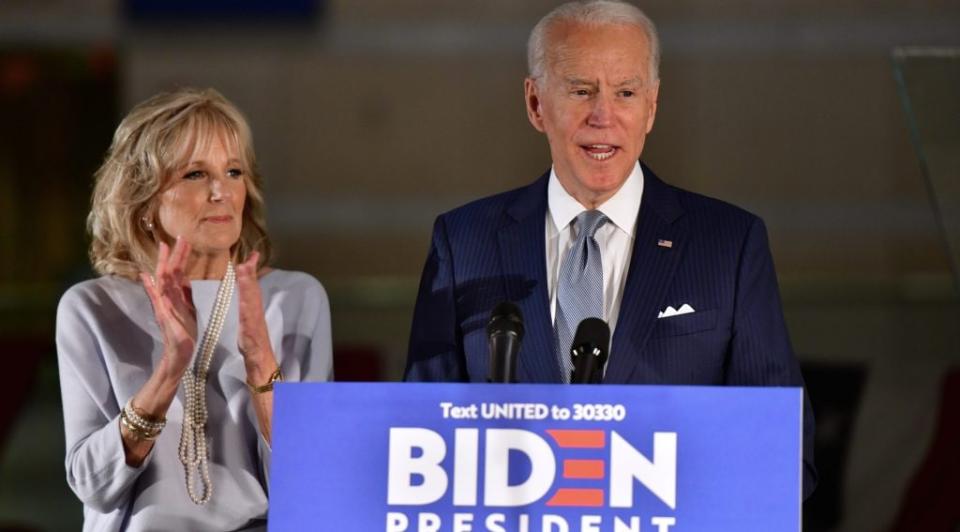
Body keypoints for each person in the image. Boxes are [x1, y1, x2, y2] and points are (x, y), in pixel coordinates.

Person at [404, 0, 816, 498]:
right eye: (581, 91)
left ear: (652, 107)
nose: (604, 115)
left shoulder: (729, 244)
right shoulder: (463, 240)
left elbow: (781, 452)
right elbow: (418, 445)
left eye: (625, 92)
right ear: (536, 104)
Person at [56, 87, 333, 530]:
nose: (221, 191)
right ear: (145, 201)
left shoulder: (296, 298)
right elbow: (93, 484)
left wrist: (261, 363)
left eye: (234, 171)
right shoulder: (92, 308)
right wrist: (169, 371)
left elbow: (315, 483)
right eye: (195, 175)